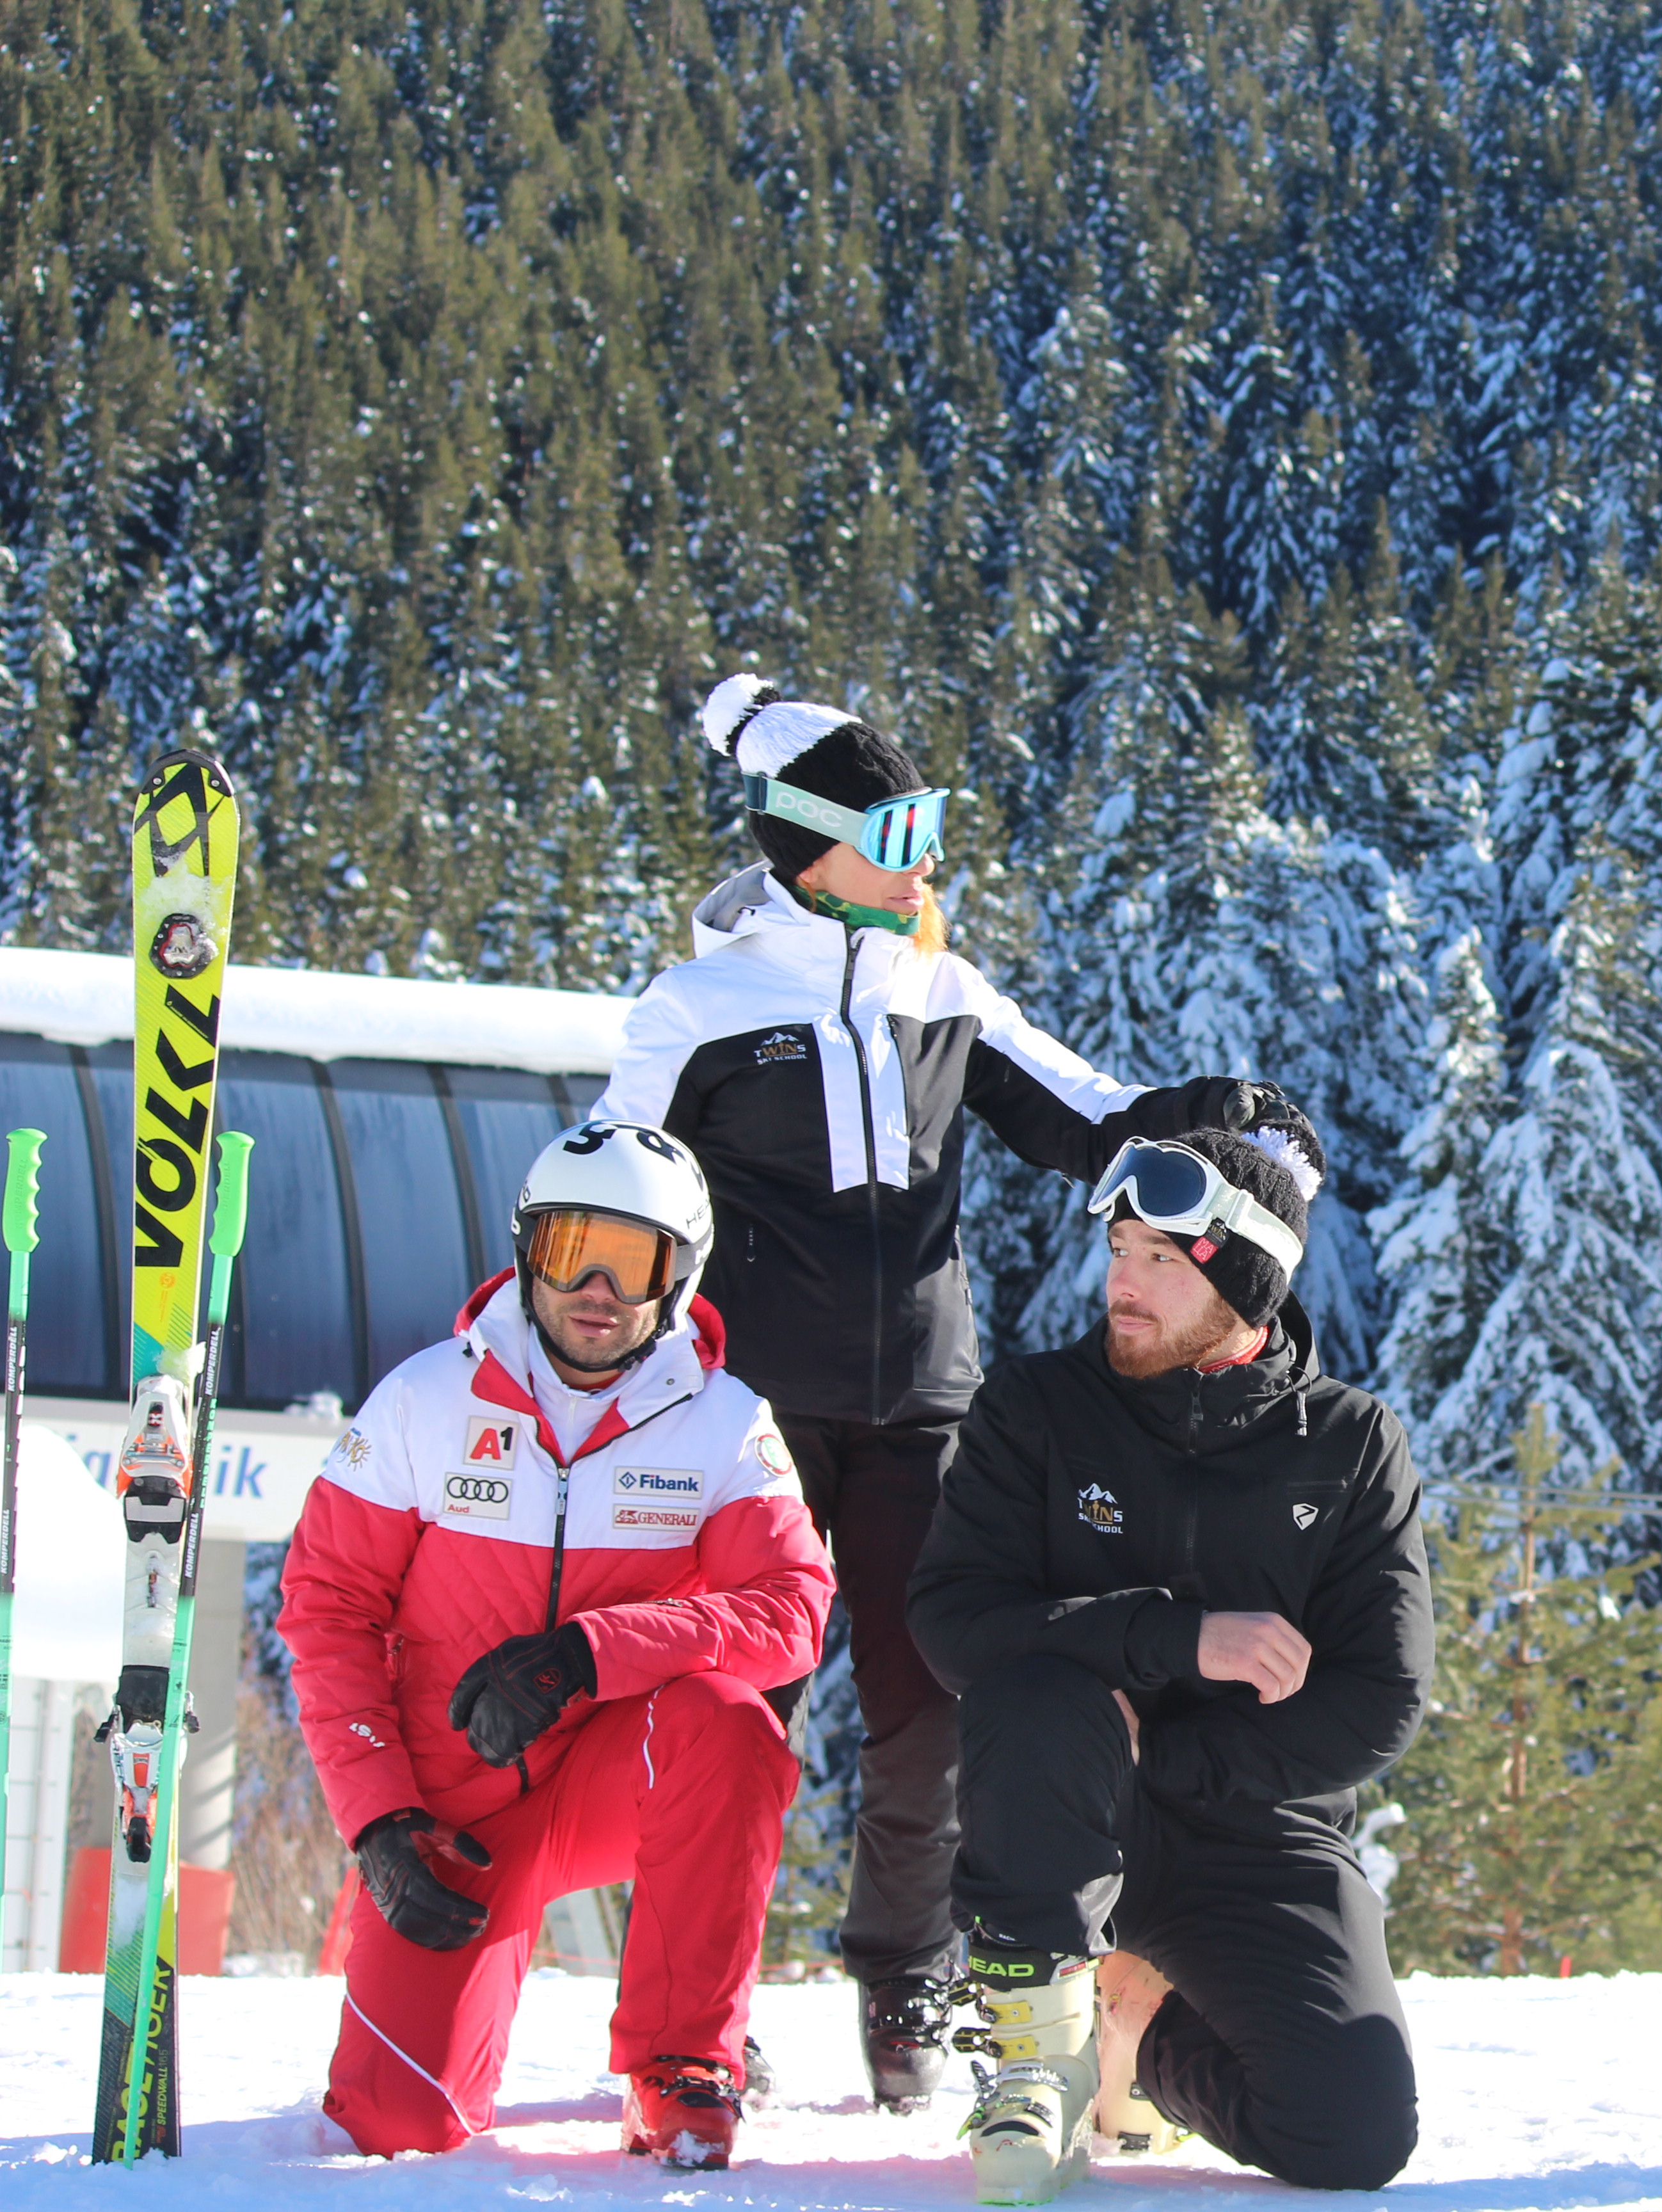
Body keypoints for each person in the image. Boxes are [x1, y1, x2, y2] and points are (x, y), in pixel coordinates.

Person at [595, 673, 1281, 2107]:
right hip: (747, 1426)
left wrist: (1218, 1112)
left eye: (930, 821)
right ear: (810, 843)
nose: (925, 854)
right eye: (898, 825)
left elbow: (1090, 1121)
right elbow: (620, 1206)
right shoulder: (699, 1008)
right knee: (735, 1719)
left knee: (936, 1708)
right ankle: (694, 2014)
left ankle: (902, 1981)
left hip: (922, 1412)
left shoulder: (940, 994)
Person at [278, 1121, 833, 2169]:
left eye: (634, 1261)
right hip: (450, 1818)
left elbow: (792, 1609)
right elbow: (328, 1607)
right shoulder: (426, 1400)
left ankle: (681, 2064)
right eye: (570, 1244)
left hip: (609, 1776)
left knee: (727, 1722)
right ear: (527, 1248)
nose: (596, 1286)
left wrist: (591, 1653)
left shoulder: (723, 1425)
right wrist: (380, 1820)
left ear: (681, 1276)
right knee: (396, 2130)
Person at [906, 1120, 1428, 2203]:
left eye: (1159, 1259)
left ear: (1246, 1280)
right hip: (1063, 1814)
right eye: (1119, 1251)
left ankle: (1133, 2042)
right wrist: (1172, 1638)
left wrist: (1176, 1760)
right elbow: (956, 1620)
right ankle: (1034, 2067)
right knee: (1041, 1693)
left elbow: (1378, 1702)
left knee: (1352, 2135)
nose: (1122, 1284)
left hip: (1257, 1829)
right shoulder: (1038, 1408)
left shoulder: (1349, 1444)